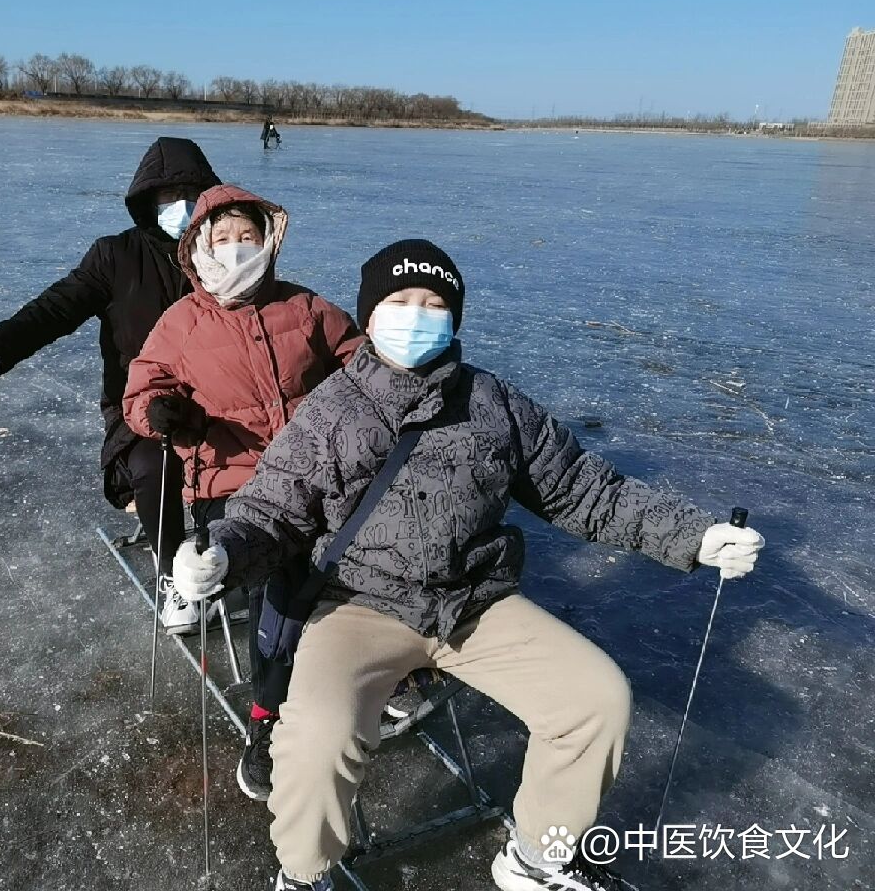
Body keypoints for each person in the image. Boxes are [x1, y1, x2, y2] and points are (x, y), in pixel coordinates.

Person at [171, 239, 766, 891]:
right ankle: (304, 874)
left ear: (454, 318)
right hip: (359, 605)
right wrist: (222, 550)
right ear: (369, 316)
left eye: (434, 304)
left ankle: (538, 858)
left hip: (472, 603)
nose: (417, 315)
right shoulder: (333, 411)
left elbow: (586, 491)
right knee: (318, 735)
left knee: (595, 700)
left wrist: (695, 538)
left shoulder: (494, 404)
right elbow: (273, 506)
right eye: (401, 302)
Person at [123, 184, 362, 801]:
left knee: (380, 542)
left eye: (246, 237)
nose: (235, 251)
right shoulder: (180, 323)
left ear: (269, 240)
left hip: (319, 472)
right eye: (221, 239)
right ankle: (268, 716)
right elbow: (140, 394)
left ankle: (388, 669)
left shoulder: (306, 307)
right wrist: (164, 412)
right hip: (231, 482)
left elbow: (362, 360)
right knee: (279, 571)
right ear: (199, 248)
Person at [0, 138, 221, 633]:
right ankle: (173, 578)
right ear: (147, 200)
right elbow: (54, 309)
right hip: (142, 413)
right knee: (154, 462)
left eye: (191, 192)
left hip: (221, 405)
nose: (180, 206)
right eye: (167, 196)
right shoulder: (114, 257)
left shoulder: (226, 255)